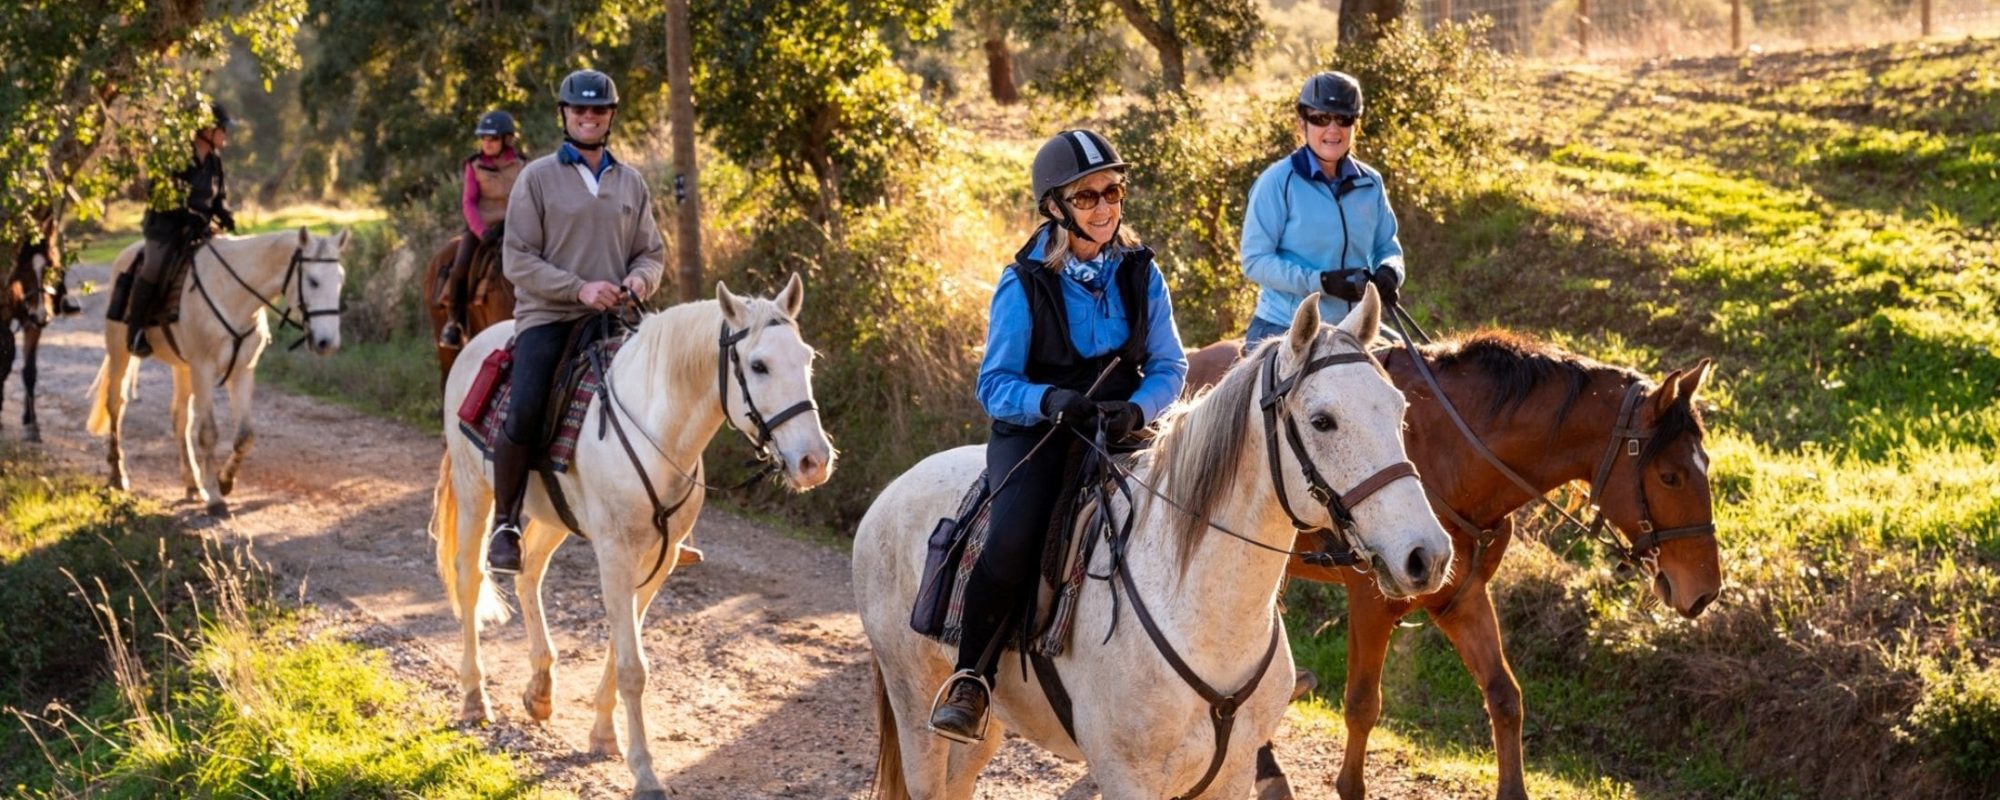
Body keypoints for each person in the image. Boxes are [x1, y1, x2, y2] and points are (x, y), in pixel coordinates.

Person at [927, 129, 1189, 741]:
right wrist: (1049, 400)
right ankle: (972, 677)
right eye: (1088, 196)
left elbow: (1171, 367)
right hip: (1040, 432)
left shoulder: (1142, 271)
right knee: (1015, 537)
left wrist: (1139, 409)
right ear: (1055, 207)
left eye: (1113, 192)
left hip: (1120, 428)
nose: (1104, 207)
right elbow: (993, 384)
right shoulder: (1022, 282)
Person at [485, 69, 665, 575]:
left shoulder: (630, 181)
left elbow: (651, 252)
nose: (589, 117)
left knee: (664, 401)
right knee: (524, 409)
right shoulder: (536, 178)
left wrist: (638, 282)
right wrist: (578, 288)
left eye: (599, 110)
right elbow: (517, 258)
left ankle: (666, 519)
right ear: (564, 115)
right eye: (579, 109)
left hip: (617, 320)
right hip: (551, 318)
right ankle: (506, 523)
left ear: (610, 117)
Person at [1239, 71, 1405, 349]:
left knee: (1412, 375)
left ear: (1356, 125)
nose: (1332, 129)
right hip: (1287, 326)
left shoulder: (1371, 182)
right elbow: (1255, 261)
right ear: (1301, 123)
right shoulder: (1277, 182)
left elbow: (1387, 247)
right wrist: (1321, 282)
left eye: (1343, 119)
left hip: (1354, 323)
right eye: (1320, 118)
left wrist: (1389, 270)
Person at [119, 102, 237, 357]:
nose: (226, 134)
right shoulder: (174, 157)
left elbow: (219, 198)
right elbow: (159, 197)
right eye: (223, 129)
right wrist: (189, 216)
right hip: (165, 230)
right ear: (206, 129)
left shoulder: (215, 162)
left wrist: (225, 214)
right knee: (153, 268)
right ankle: (135, 331)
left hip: (200, 231)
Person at [438, 110, 526, 349]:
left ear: (506, 139)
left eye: (493, 139)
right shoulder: (474, 165)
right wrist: (482, 232)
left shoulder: (522, 165)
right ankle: (454, 324)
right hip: (483, 231)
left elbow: (527, 199)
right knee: (460, 268)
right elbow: (468, 203)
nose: (487, 144)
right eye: (484, 139)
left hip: (515, 227)